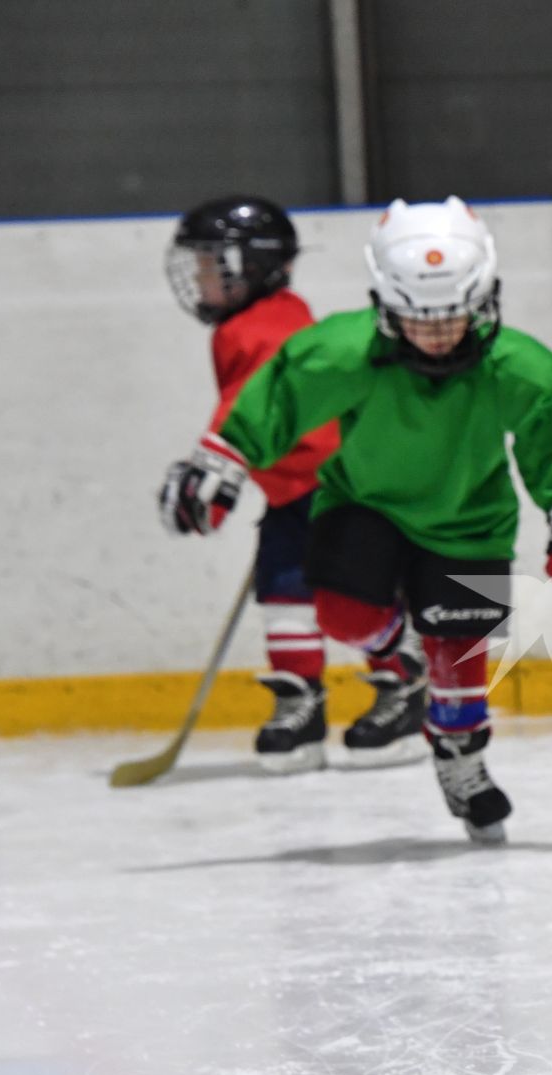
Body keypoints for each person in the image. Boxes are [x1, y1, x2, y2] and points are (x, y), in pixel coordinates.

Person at [165, 196, 552, 842]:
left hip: (468, 520)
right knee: (341, 613)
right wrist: (223, 461)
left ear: (485, 297)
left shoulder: (517, 366)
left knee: (458, 646)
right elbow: (280, 395)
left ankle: (462, 760)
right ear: (385, 303)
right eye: (416, 318)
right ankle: (403, 651)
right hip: (364, 505)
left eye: (452, 316)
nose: (436, 333)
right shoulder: (344, 350)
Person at [158, 195, 427, 774]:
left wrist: (215, 465)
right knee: (284, 595)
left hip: (337, 488)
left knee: (348, 599)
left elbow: (256, 400)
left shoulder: (269, 327)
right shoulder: (250, 322)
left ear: (250, 266)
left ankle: (405, 680)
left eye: (211, 264)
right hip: (294, 491)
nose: (200, 278)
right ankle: (301, 708)